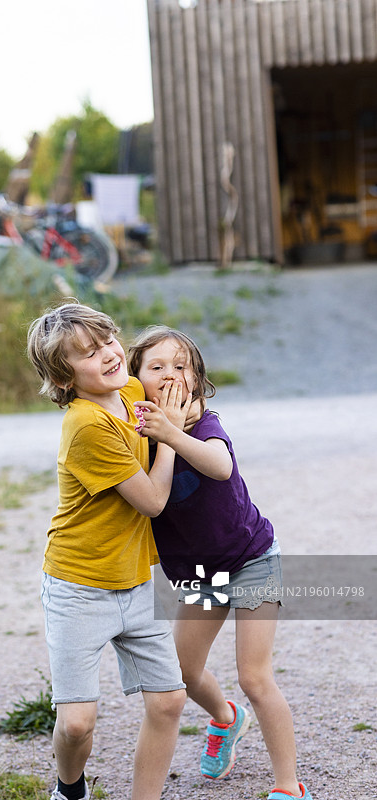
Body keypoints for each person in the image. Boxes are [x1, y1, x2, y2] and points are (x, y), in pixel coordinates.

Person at [128, 325, 313, 800]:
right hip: (200, 576)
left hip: (250, 560)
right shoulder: (136, 437)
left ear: (197, 379)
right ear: (134, 380)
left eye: (181, 365)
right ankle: (227, 719)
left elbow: (220, 465)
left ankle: (289, 787)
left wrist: (171, 431)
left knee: (255, 675)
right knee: (184, 674)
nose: (170, 375)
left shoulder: (204, 424)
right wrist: (157, 434)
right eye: (156, 367)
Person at [27, 303, 191, 800]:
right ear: (63, 378)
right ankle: (69, 790)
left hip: (139, 577)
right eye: (88, 354)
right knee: (77, 723)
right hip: (80, 584)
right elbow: (154, 501)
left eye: (108, 341)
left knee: (168, 702)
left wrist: (191, 420)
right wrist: (171, 437)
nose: (109, 355)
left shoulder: (133, 391)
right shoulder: (85, 427)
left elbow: (186, 397)